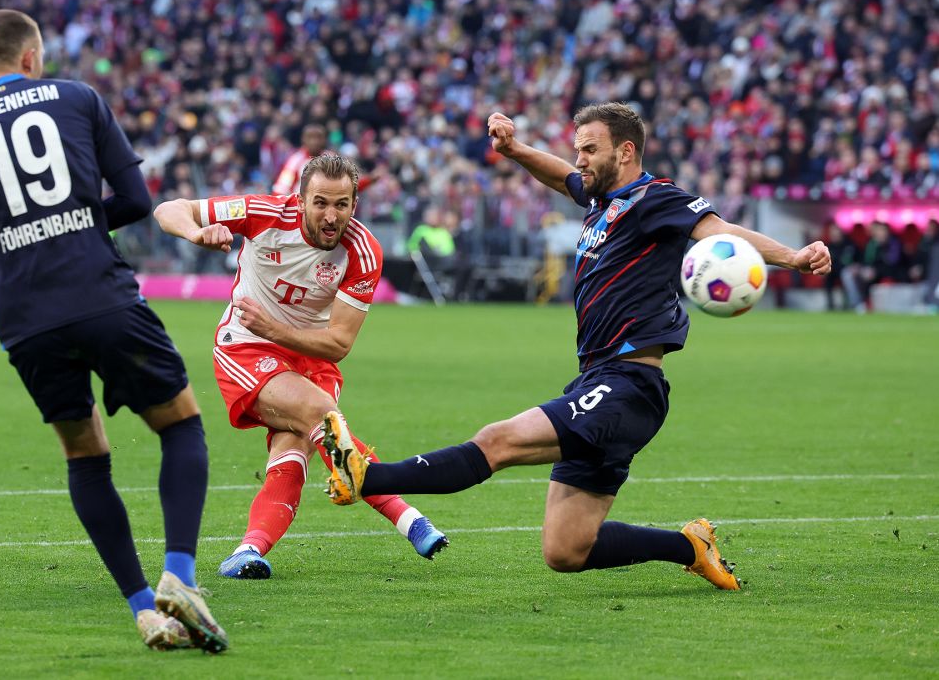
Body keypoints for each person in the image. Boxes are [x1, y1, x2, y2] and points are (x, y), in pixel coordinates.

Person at [322, 104, 831, 589]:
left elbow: (719, 232)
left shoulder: (658, 199)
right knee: (566, 550)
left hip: (629, 385)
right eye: (578, 149)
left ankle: (367, 476)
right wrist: (515, 149)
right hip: (598, 381)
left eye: (589, 149)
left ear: (626, 152)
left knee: (499, 441)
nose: (580, 160)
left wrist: (794, 256)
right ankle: (689, 547)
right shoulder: (601, 201)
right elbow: (562, 176)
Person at [0, 9, 226, 651]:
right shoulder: (77, 98)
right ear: (30, 58)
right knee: (181, 424)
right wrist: (78, 225)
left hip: (23, 321)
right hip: (99, 294)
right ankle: (180, 576)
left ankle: (144, 611)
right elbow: (134, 200)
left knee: (85, 453)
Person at [152, 152, 448, 579]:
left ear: (354, 204)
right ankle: (409, 519)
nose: (331, 216)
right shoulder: (262, 212)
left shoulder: (362, 252)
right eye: (321, 203)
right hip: (246, 348)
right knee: (322, 416)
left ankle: (248, 549)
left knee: (292, 450)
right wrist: (195, 232)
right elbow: (168, 210)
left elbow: (338, 343)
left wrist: (274, 327)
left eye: (342, 204)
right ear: (300, 199)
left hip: (310, 356)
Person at [271, 123, 327, 196]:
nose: (314, 141)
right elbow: (281, 188)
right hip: (301, 204)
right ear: (303, 139)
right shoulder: (295, 161)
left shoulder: (332, 159)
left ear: (324, 139)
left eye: (318, 137)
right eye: (310, 137)